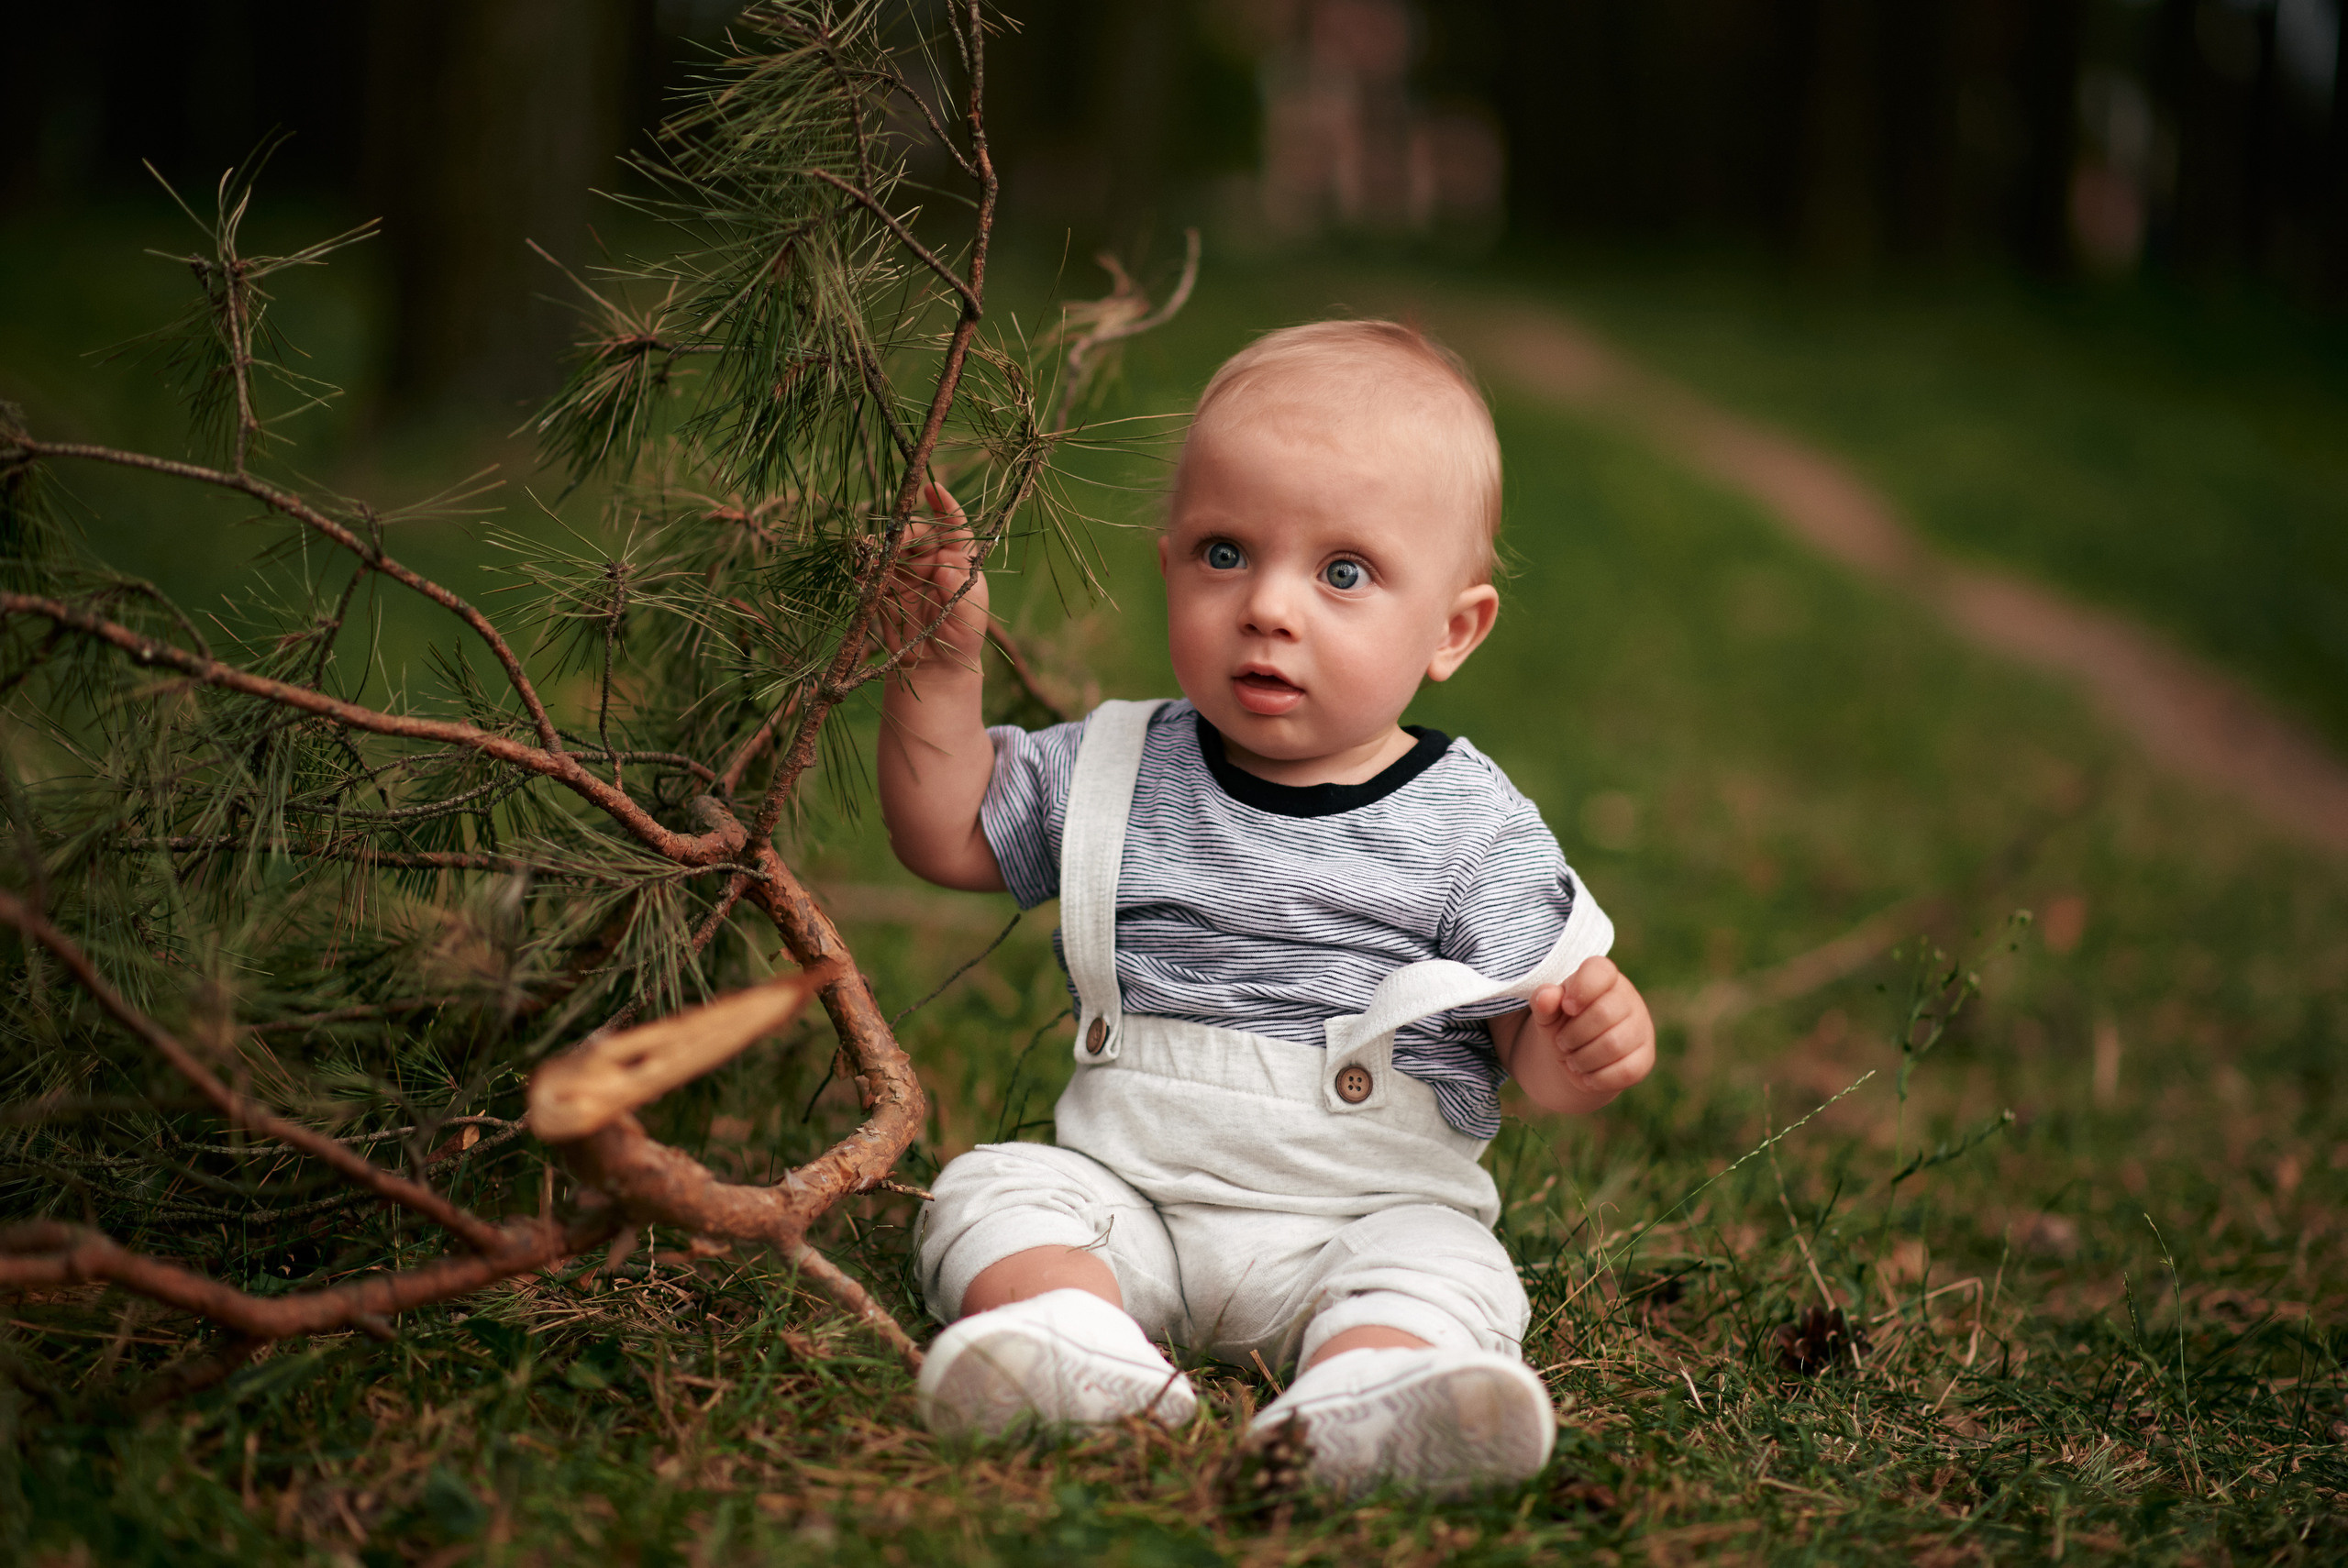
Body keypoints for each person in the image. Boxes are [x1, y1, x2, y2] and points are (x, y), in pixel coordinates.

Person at [874, 319, 1656, 1496]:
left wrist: (1576, 1048)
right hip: (1129, 1194)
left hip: (1365, 1216)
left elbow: (1524, 1050)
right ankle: (1075, 1346)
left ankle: (1372, 1393)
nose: (1269, 608)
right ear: (1170, 563)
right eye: (1226, 553)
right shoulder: (1117, 767)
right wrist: (936, 668)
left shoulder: (1475, 827)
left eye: (1343, 573)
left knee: (1445, 1269)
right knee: (993, 1190)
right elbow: (944, 828)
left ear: (1453, 629)